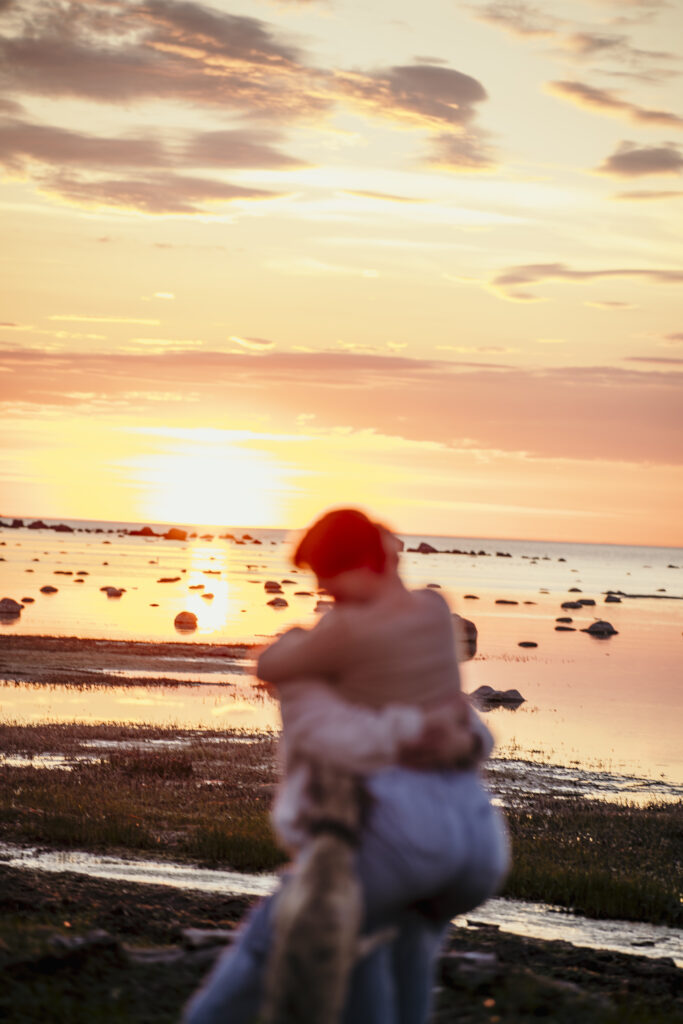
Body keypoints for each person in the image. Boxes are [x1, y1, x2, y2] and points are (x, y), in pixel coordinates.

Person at [184, 509, 508, 1024]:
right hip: (477, 841)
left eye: (328, 579)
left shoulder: (343, 635)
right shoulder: (430, 611)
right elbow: (462, 726)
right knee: (392, 967)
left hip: (399, 837)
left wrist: (291, 643)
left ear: (359, 564)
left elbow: (276, 667)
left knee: (262, 959)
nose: (326, 594)